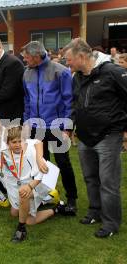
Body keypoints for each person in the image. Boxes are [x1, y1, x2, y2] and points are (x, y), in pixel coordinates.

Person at [63, 38, 127, 238]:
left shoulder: (113, 72)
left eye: (69, 59)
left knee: (108, 182)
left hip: (108, 136)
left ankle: (110, 223)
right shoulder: (77, 77)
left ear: (81, 56)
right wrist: (70, 126)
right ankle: (94, 212)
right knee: (90, 178)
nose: (67, 64)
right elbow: (75, 104)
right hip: (85, 137)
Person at [0, 126, 71, 243]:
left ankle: (23, 227)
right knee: (14, 212)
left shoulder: (24, 148)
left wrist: (39, 158)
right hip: (8, 174)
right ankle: (6, 198)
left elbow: (37, 142)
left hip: (32, 182)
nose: (17, 144)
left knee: (27, 217)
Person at [21, 41, 78, 213]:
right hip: (36, 127)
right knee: (41, 163)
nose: (24, 60)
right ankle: (45, 196)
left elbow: (69, 101)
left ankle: (72, 199)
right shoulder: (26, 73)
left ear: (36, 56)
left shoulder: (60, 71)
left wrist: (67, 128)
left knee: (63, 163)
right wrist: (26, 121)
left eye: (27, 57)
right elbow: (27, 100)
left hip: (57, 126)